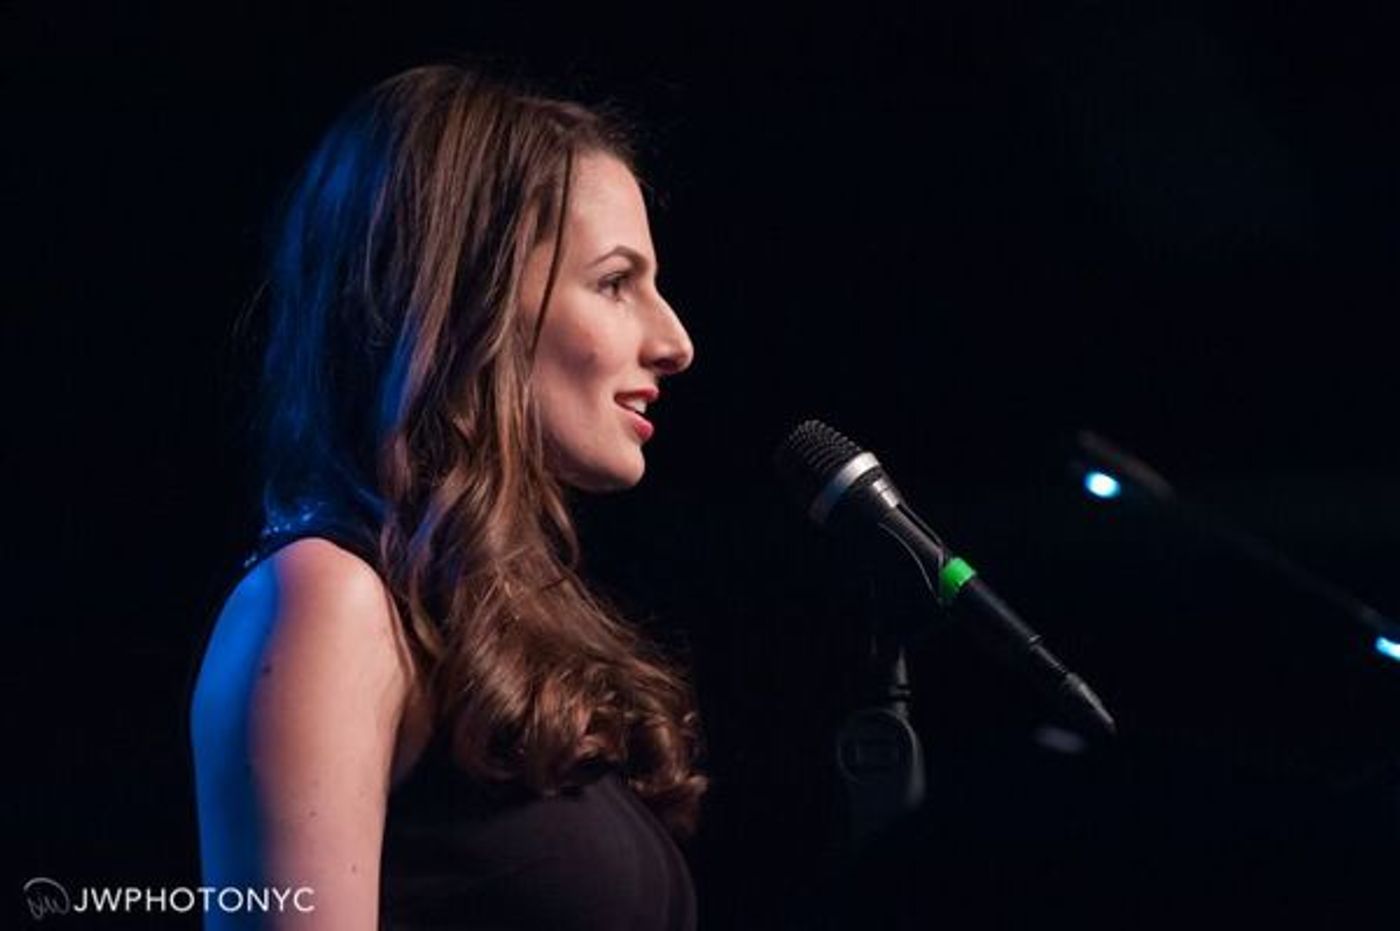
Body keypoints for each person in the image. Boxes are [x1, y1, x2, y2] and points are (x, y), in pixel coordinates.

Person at [190, 63, 705, 930]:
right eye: (616, 283)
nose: (675, 341)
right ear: (473, 300)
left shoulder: (483, 623)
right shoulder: (328, 601)